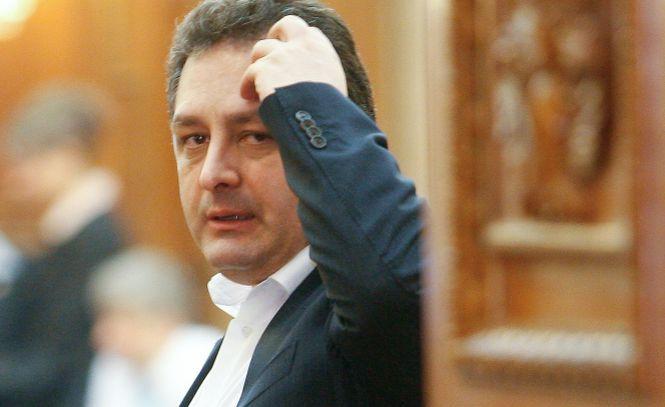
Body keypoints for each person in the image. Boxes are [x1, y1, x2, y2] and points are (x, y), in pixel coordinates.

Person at [167, 1, 423, 406]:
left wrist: (313, 102)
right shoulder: (253, 327)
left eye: (256, 135)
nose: (212, 174)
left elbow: (395, 293)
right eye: (195, 139)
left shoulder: (361, 329)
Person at [0, 83, 125, 406]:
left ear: (69, 153)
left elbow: (60, 360)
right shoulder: (64, 234)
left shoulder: (95, 240)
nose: (19, 176)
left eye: (31, 158)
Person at [85, 247, 222, 407]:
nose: (101, 332)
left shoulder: (204, 352)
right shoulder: (110, 363)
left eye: (119, 318)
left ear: (161, 315)